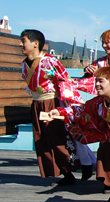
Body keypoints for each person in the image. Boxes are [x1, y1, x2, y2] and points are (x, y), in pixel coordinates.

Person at [49, 67, 110, 193]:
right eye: (96, 81)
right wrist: (60, 111)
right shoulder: (98, 102)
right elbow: (81, 110)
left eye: (101, 81)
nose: (97, 85)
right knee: (105, 148)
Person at [20, 29, 81, 184]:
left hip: (50, 103)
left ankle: (69, 171)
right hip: (36, 103)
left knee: (56, 136)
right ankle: (55, 172)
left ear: (35, 44)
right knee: (41, 138)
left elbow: (65, 80)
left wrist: (68, 102)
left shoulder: (50, 61)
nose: (21, 44)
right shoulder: (24, 64)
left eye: (24, 41)